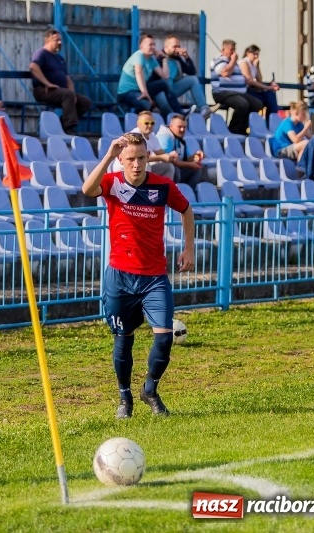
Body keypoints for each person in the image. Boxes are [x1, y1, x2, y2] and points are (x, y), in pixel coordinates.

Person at [82, 132, 195, 419]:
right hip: (119, 277)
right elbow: (87, 189)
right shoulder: (113, 183)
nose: (136, 164)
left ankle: (150, 390)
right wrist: (107, 155)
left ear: (148, 158)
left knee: (165, 337)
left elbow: (186, 209)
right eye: (130, 159)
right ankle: (125, 398)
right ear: (121, 161)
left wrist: (189, 248)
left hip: (154, 276)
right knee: (124, 339)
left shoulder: (163, 186)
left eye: (141, 158)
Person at [29, 29, 91, 135]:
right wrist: (47, 84)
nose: (59, 42)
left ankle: (61, 124)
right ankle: (70, 128)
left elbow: (67, 78)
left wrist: (73, 94)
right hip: (43, 90)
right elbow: (33, 66)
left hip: (60, 92)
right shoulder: (41, 53)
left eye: (60, 40)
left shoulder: (59, 58)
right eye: (56, 40)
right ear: (47, 40)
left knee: (85, 102)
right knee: (67, 95)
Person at [116, 34, 185, 119]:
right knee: (146, 103)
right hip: (127, 92)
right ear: (141, 46)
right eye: (150, 44)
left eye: (154, 44)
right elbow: (139, 73)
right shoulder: (138, 56)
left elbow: (165, 76)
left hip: (140, 90)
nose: (153, 47)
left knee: (164, 83)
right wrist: (145, 92)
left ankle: (179, 111)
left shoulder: (152, 59)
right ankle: (138, 125)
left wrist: (164, 59)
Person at [209, 39, 262, 135]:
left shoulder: (233, 63)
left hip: (238, 92)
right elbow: (225, 73)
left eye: (234, 50)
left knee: (257, 104)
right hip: (222, 92)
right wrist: (233, 61)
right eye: (231, 50)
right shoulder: (218, 60)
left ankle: (243, 128)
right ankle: (233, 129)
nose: (233, 52)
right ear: (223, 49)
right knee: (242, 104)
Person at [155, 35, 211, 119]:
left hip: (173, 89)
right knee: (163, 99)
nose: (177, 49)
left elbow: (191, 72)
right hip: (160, 91)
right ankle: (174, 119)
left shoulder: (177, 58)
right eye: (174, 46)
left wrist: (186, 57)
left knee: (193, 80)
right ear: (166, 47)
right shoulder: (159, 57)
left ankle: (203, 108)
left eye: (179, 46)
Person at [113, 111, 177, 178]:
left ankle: (165, 188)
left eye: (152, 123)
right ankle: (144, 188)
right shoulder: (134, 136)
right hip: (123, 170)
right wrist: (161, 158)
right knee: (145, 165)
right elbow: (137, 158)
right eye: (146, 123)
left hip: (139, 167)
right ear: (138, 124)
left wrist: (170, 155)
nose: (150, 126)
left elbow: (160, 153)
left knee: (169, 166)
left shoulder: (152, 135)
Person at [156, 114, 204, 187]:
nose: (182, 130)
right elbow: (168, 159)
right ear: (171, 126)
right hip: (159, 170)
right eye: (179, 127)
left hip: (175, 167)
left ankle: (187, 193)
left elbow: (186, 159)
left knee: (198, 170)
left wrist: (196, 156)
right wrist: (190, 165)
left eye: (184, 127)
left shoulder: (179, 140)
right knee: (175, 170)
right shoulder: (165, 137)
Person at [238, 44, 279, 115]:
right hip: (245, 90)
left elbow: (259, 80)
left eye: (257, 54)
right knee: (264, 98)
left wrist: (257, 67)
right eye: (254, 54)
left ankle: (272, 116)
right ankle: (271, 115)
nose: (256, 56)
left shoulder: (253, 64)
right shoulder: (244, 62)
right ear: (248, 53)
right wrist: (267, 87)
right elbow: (250, 81)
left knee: (270, 95)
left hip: (251, 89)